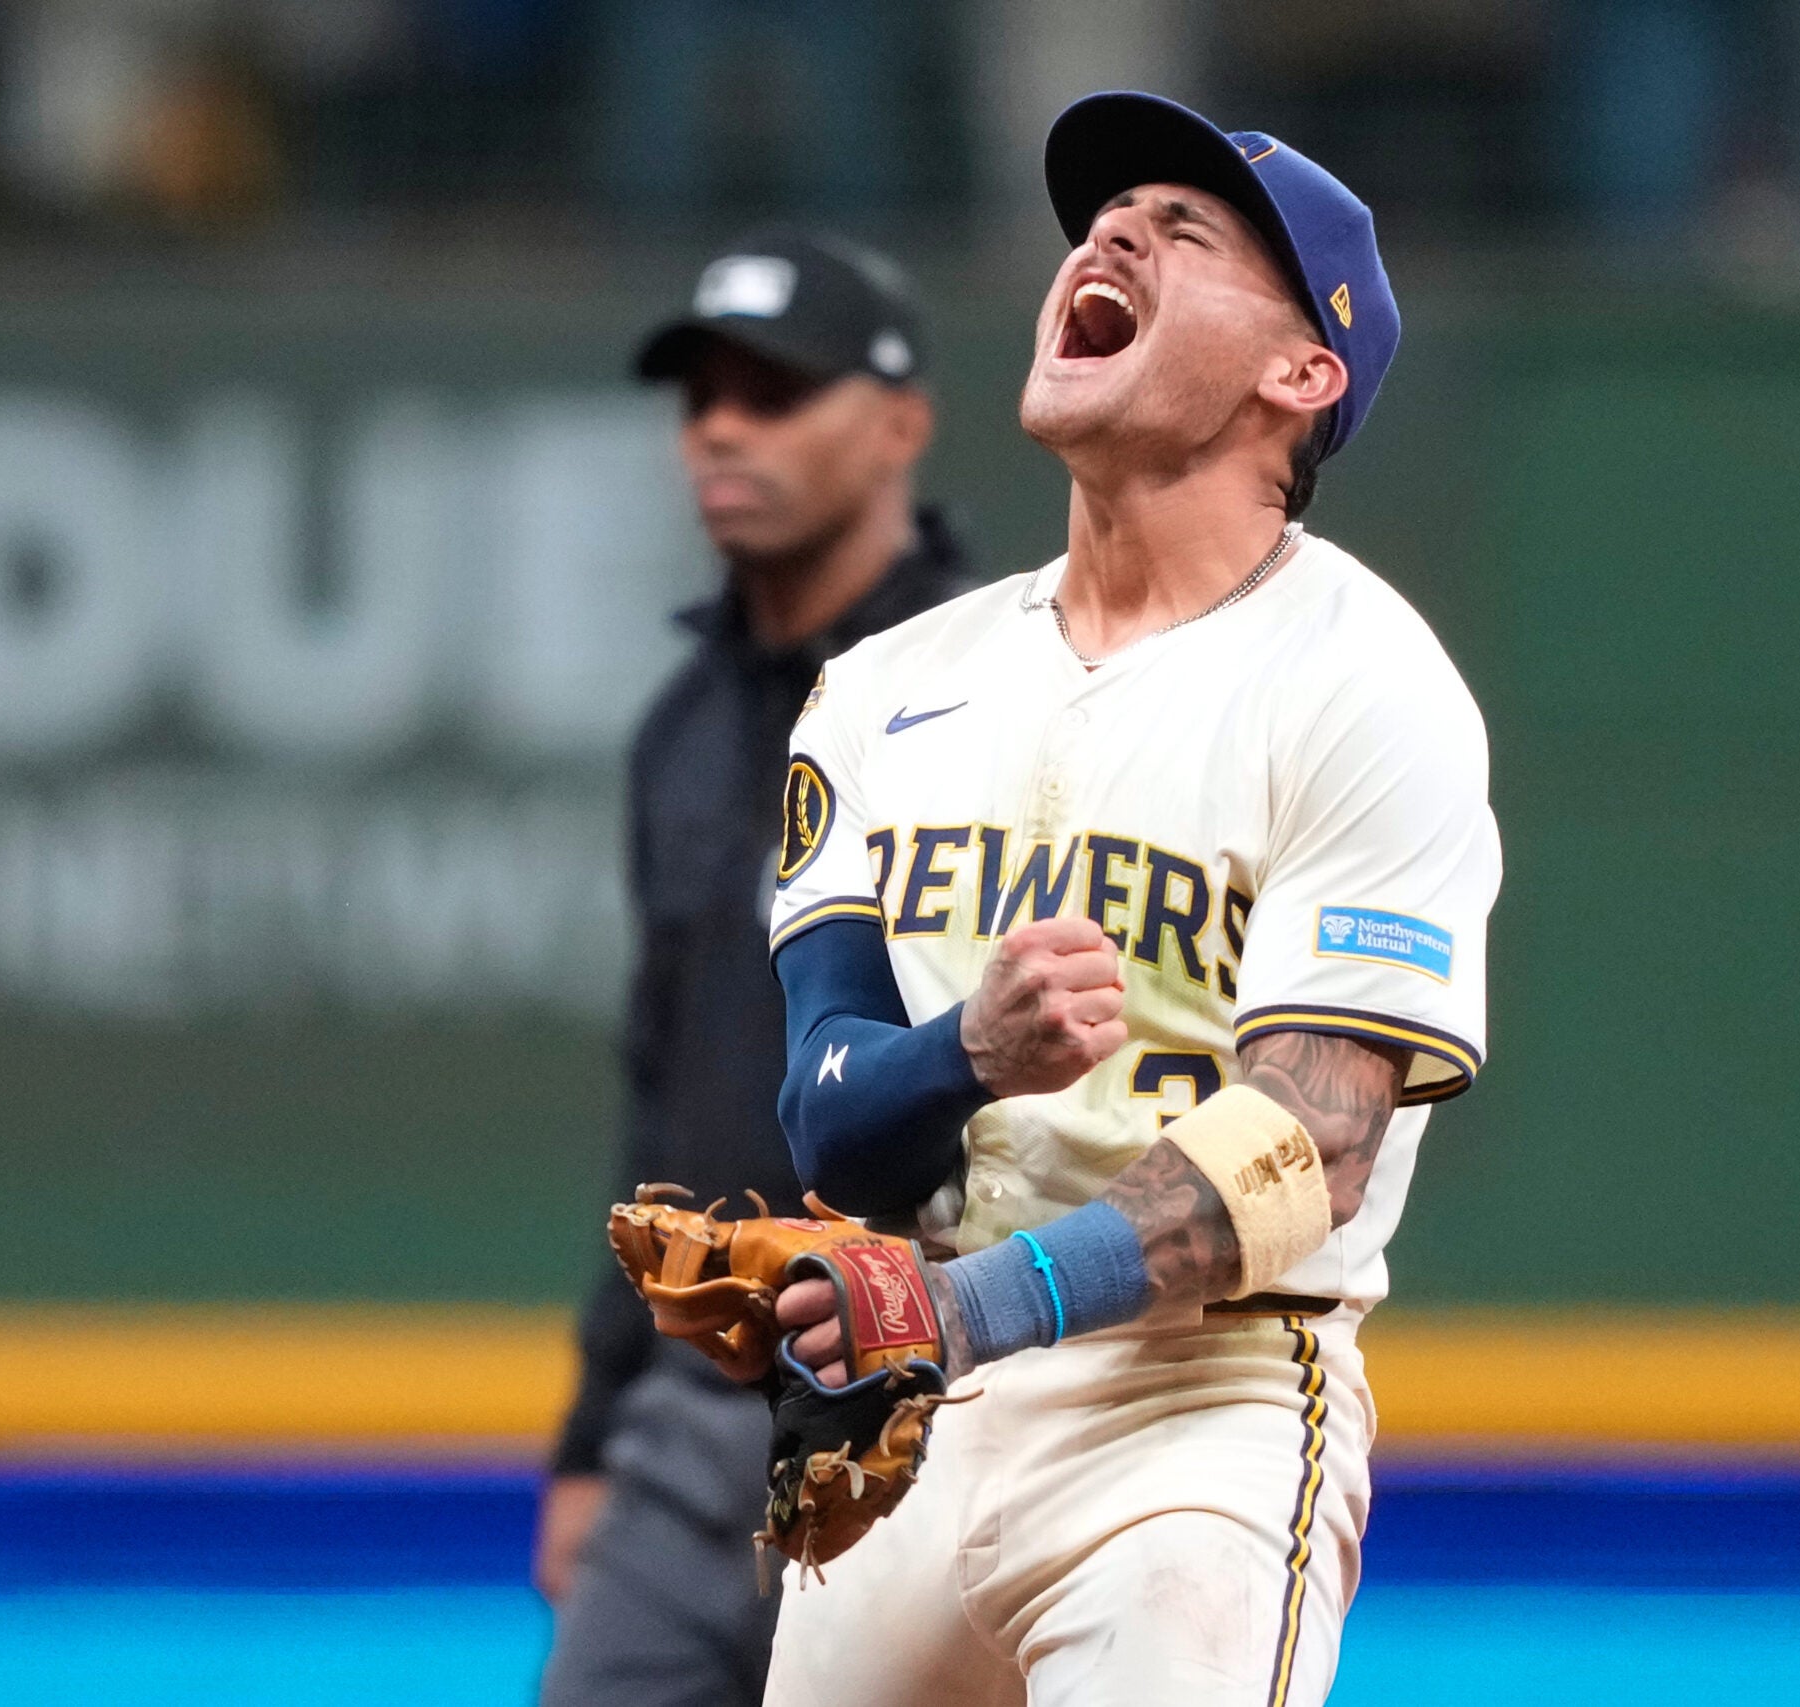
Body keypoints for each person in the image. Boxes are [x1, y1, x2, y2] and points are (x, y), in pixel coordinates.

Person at [752, 91, 1501, 1705]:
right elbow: (831, 1119)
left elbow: (1313, 1143)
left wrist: (974, 1306)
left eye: (1188, 232)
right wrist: (964, 1057)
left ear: (1302, 374)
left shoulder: (1365, 686)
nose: (1107, 238)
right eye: (1104, 222)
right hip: (919, 1420)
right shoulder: (883, 692)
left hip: (1201, 1417)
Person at [536, 228, 976, 1707]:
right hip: (698, 1393)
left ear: (903, 421)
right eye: (701, 395)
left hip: (935, 1380)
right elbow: (661, 1088)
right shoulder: (682, 725)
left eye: (776, 391)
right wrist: (595, 1437)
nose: (723, 425)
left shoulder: (1000, 685)